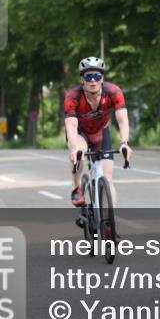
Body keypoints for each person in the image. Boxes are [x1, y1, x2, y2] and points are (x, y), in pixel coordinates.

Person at [65, 56, 133, 208]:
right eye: (88, 76)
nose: (93, 81)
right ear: (82, 79)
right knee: (79, 154)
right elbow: (70, 124)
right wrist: (75, 148)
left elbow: (123, 120)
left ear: (102, 78)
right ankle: (76, 188)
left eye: (97, 76)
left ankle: (109, 225)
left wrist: (124, 143)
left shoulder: (113, 92)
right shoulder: (73, 96)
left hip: (101, 133)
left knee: (107, 177)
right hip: (80, 133)